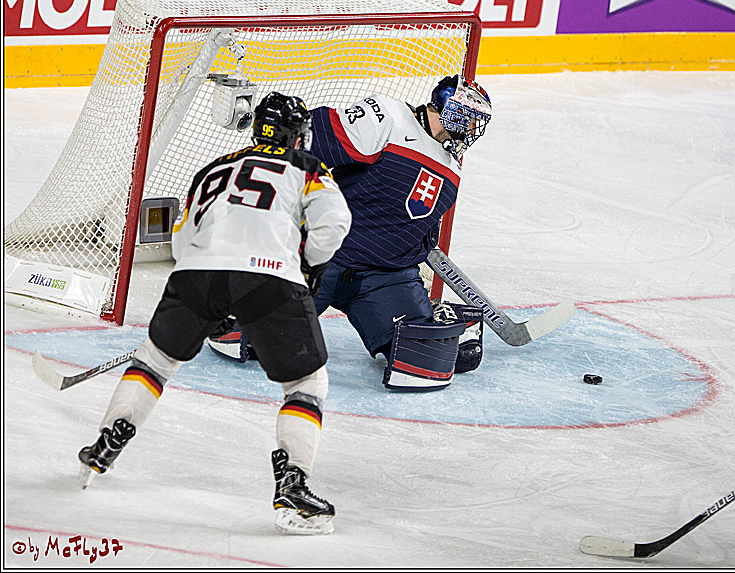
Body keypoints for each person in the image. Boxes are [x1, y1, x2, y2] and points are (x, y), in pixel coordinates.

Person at [78, 92, 352, 536]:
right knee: (305, 382)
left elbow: (182, 237)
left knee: (155, 360)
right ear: (297, 136)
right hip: (270, 277)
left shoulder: (213, 168)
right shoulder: (307, 168)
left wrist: (217, 302)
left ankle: (107, 442)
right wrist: (303, 267)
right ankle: (293, 484)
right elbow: (334, 225)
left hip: (194, 274)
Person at [209, 76, 491, 392]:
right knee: (241, 336)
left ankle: (426, 316)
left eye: (475, 123)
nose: (469, 129)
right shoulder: (388, 117)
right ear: (444, 107)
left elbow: (417, 233)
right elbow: (317, 139)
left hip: (382, 277)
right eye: (466, 118)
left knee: (425, 360)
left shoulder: (451, 171)